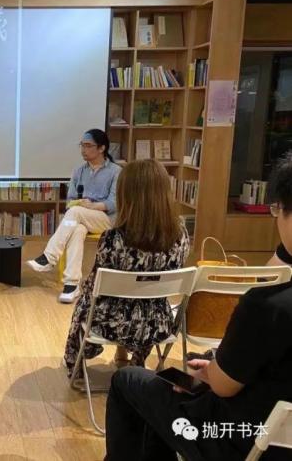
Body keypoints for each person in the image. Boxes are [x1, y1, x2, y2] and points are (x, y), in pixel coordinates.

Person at [104, 156, 292, 461]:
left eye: (278, 208)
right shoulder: (178, 233)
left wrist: (211, 373)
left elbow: (224, 387)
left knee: (128, 381)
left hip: (238, 440)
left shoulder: (266, 306)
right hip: (276, 434)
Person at [64, 159, 190, 377]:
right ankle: (133, 360)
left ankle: (75, 361)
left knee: (87, 300)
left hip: (112, 325)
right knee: (140, 297)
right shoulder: (180, 234)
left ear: (126, 196)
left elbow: (94, 288)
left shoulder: (113, 239)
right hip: (156, 324)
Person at [27, 129, 122, 303]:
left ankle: (49, 257)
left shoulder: (116, 171)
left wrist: (92, 206)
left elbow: (114, 202)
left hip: (106, 219)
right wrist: (77, 203)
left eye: (88, 146)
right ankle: (71, 284)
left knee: (75, 213)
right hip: (81, 217)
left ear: (102, 148)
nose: (83, 150)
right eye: (82, 145)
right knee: (76, 230)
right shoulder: (79, 171)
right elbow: (70, 200)